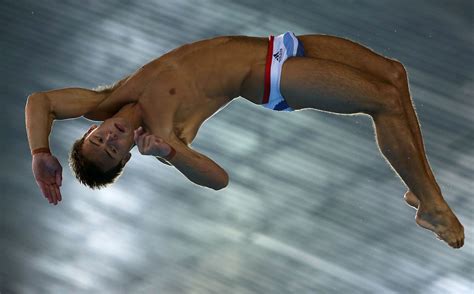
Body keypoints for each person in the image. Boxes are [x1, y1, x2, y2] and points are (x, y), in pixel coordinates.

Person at [25, 32, 464, 248]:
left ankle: (421, 192)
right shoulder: (161, 137)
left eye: (99, 139)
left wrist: (40, 151)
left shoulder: (103, 100)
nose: (111, 138)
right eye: (113, 150)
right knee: (384, 99)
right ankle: (433, 207)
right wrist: (171, 154)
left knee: (393, 74)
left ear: (90, 128)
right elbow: (218, 180)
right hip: (271, 77)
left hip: (278, 45)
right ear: (126, 156)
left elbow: (40, 101)